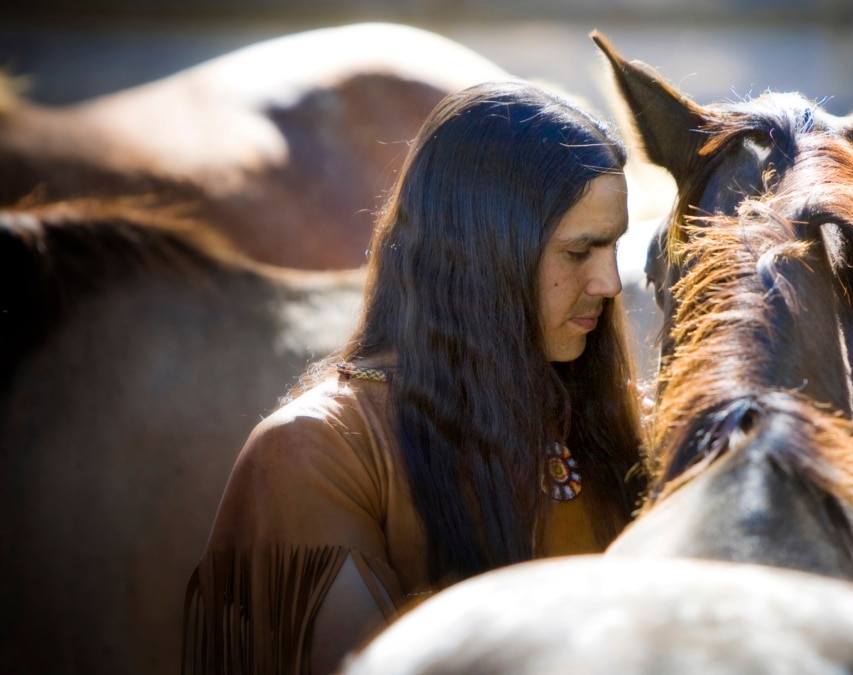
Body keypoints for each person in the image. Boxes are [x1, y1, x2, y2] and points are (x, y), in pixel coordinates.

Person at [182, 80, 647, 674]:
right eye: (580, 252)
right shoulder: (315, 453)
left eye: (614, 248)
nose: (609, 283)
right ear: (479, 253)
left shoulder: (624, 425)